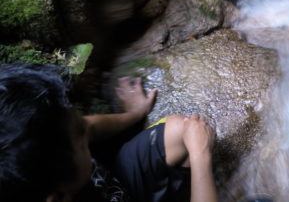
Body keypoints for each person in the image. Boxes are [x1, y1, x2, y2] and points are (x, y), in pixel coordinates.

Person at [0, 64, 217, 202]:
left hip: (118, 184)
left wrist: (135, 113)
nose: (86, 127)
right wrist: (201, 156)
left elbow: (87, 126)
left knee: (183, 129)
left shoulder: (41, 146)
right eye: (82, 141)